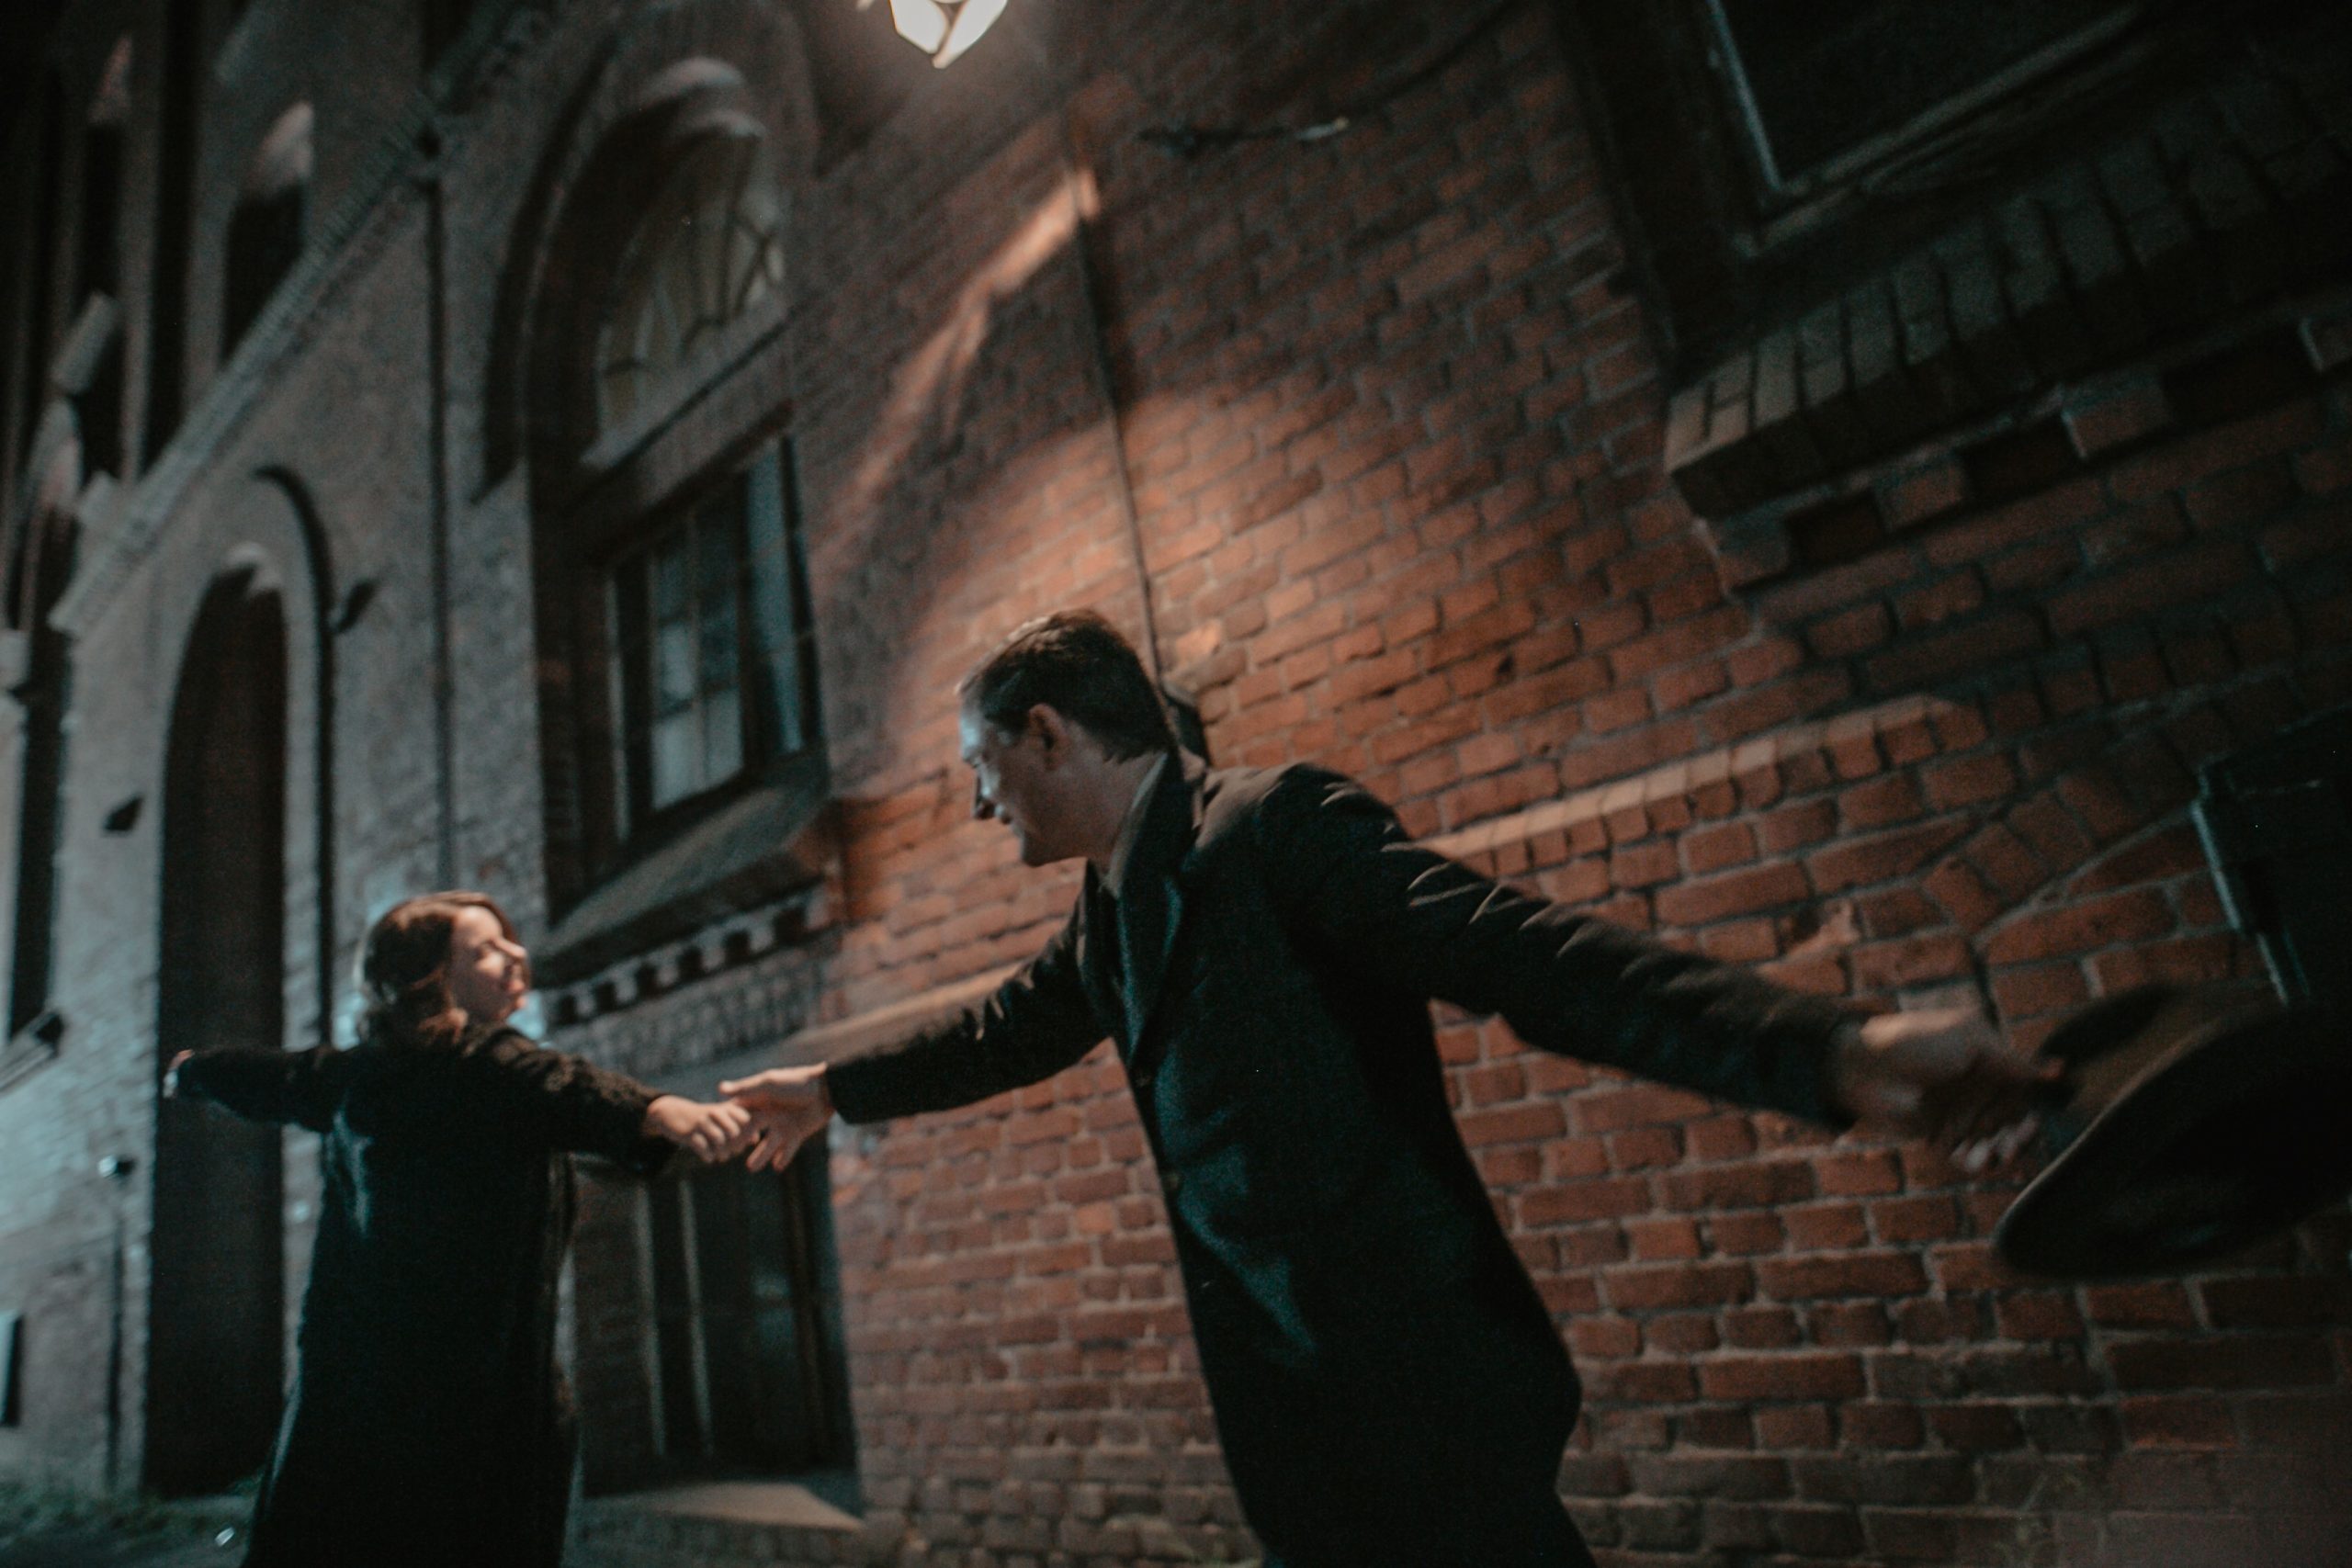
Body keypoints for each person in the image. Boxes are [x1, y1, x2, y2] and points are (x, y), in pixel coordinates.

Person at [722, 610, 2050, 1568]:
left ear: (1049, 731)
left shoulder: (1273, 826)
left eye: (979, 767)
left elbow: (1520, 956)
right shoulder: (1109, 909)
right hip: (1306, 1427)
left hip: (1424, 1407)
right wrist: (830, 1089)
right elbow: (998, 1034)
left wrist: (1830, 1049)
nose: (978, 803)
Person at [165, 891, 752, 1568]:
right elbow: (562, 1084)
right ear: (427, 979)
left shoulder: (363, 1075)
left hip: (361, 1393)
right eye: (484, 950)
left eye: (509, 941)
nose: (516, 955)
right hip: (462, 1404)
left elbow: (275, 1078)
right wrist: (659, 1109)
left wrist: (192, 1072)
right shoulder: (486, 1064)